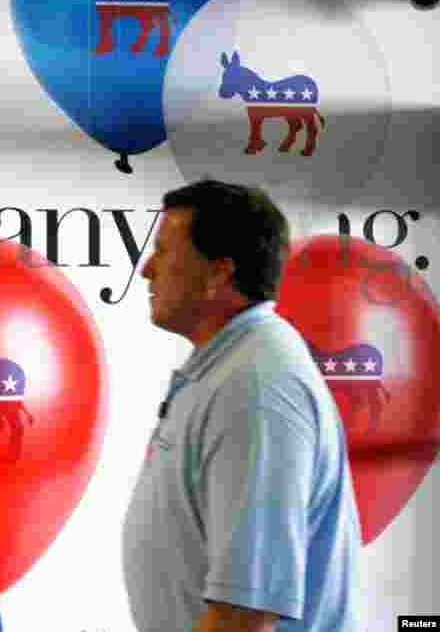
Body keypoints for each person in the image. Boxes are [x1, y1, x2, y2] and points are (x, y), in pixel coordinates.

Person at [122, 179, 362, 632]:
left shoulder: (256, 387)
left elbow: (245, 613)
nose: (147, 269)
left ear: (218, 272)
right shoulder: (231, 365)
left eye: (164, 252)